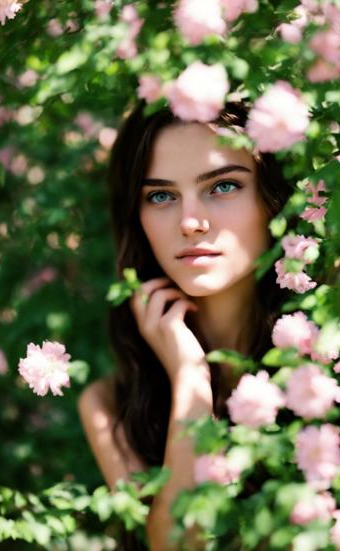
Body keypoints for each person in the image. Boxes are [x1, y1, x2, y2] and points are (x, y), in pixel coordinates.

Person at [77, 100, 295, 550]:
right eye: (161, 196)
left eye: (223, 186)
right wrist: (189, 375)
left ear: (274, 196)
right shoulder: (109, 405)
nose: (190, 223)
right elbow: (178, 544)